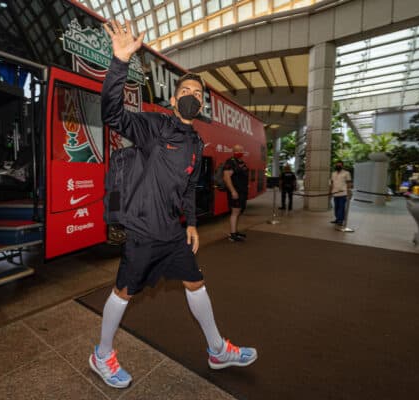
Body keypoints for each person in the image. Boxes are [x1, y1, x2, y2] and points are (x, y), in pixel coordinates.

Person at [89, 20, 257, 389]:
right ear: (172, 98)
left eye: (198, 94)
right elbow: (112, 115)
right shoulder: (155, 126)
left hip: (172, 230)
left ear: (201, 103)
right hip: (144, 229)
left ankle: (217, 350)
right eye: (186, 90)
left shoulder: (197, 143)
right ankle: (102, 354)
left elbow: (189, 188)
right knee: (124, 291)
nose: (192, 96)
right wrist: (119, 63)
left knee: (196, 283)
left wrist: (192, 224)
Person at [222, 144, 249, 241]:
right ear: (233, 152)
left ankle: (235, 231)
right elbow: (226, 177)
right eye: (237, 151)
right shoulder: (230, 162)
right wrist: (233, 191)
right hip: (236, 192)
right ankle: (232, 235)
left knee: (238, 212)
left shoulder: (241, 162)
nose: (239, 152)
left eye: (241, 150)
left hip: (242, 192)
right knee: (235, 212)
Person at [329, 160, 352, 225]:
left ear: (342, 166)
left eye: (339, 165)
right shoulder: (333, 173)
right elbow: (332, 183)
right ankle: (337, 219)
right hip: (335, 193)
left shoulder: (346, 173)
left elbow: (349, 183)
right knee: (336, 207)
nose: (338, 166)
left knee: (341, 207)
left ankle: (340, 220)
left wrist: (349, 192)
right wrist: (330, 192)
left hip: (343, 193)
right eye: (337, 165)